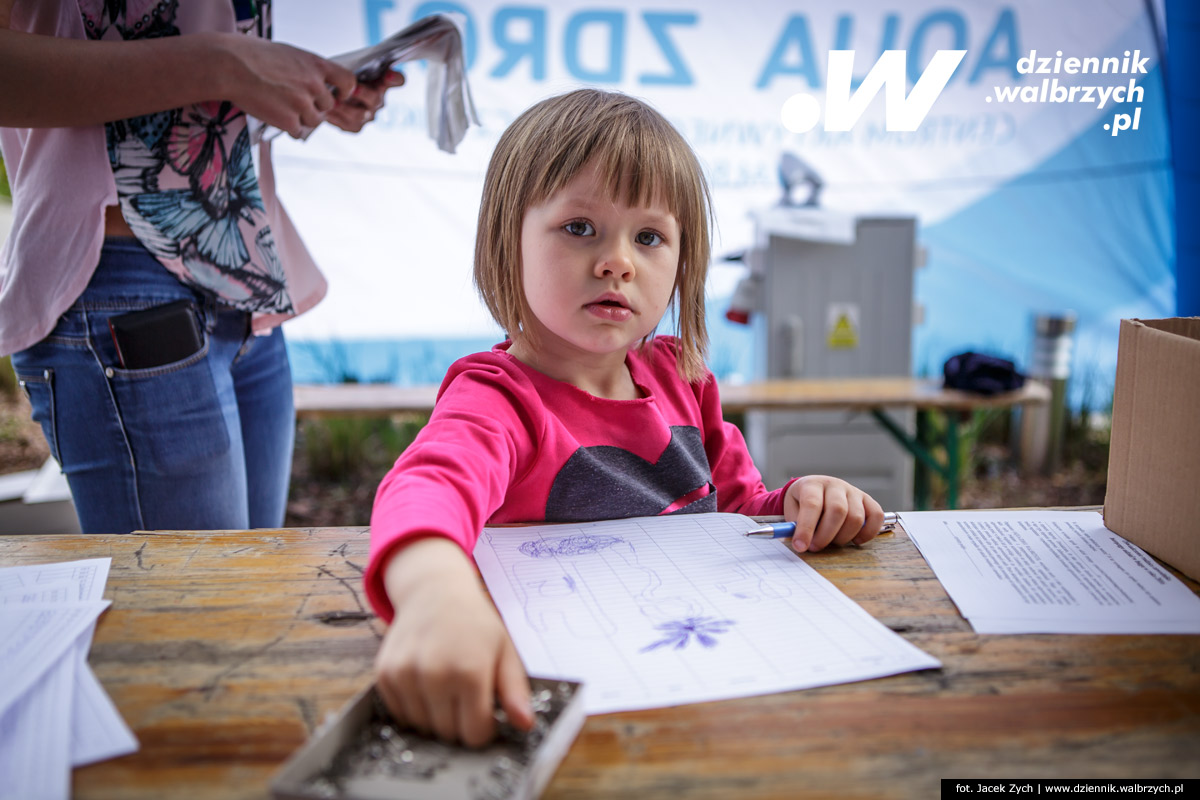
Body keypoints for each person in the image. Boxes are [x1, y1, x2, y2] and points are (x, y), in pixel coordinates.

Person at [364, 88, 888, 748]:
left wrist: (805, 501)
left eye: (649, 236)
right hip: (556, 704)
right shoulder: (498, 396)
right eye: (579, 228)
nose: (619, 261)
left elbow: (741, 510)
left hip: (706, 689)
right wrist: (436, 594)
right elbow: (425, 491)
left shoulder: (683, 377)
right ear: (508, 240)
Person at [0, 0, 405, 532]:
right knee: (191, 606)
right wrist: (227, 63)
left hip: (247, 278)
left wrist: (290, 85)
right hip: (122, 282)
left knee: (248, 596)